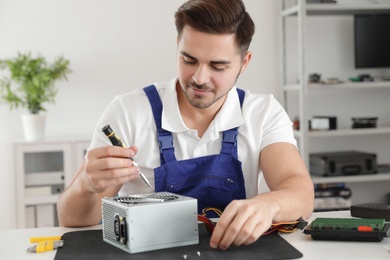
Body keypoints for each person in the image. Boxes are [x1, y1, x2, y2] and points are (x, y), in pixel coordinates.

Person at [57, 0, 314, 250]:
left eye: (217, 66)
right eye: (189, 60)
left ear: (244, 62)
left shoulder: (263, 112)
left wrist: (267, 205)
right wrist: (86, 185)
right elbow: (71, 218)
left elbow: (300, 192)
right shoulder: (128, 111)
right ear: (177, 46)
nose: (200, 78)